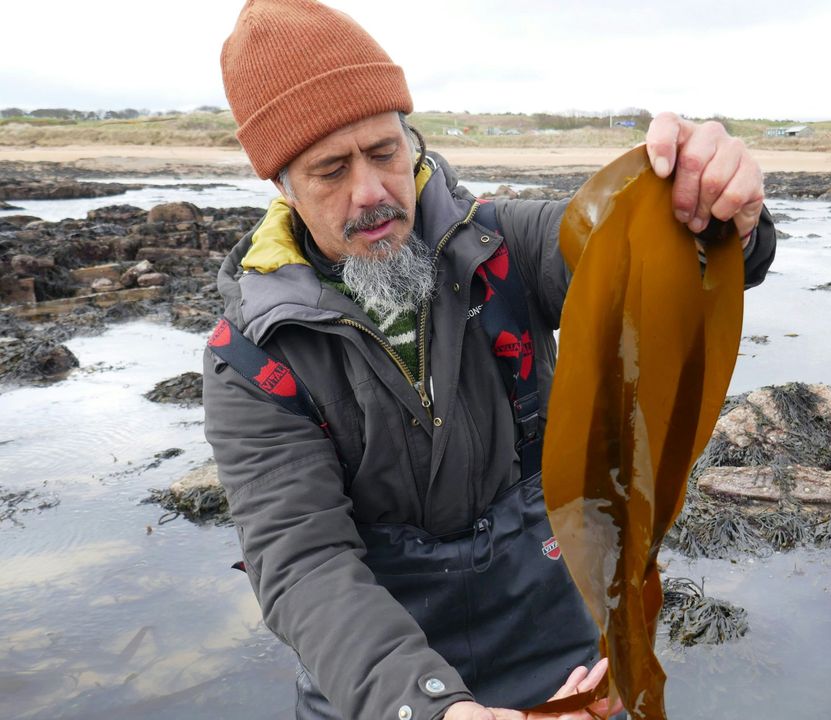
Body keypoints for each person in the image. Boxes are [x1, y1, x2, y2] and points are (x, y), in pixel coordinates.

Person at [204, 1, 777, 719]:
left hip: (557, 656)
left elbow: (648, 255)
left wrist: (718, 211)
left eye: (384, 151)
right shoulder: (254, 358)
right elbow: (305, 565)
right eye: (330, 170)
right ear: (281, 186)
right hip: (379, 685)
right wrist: (434, 708)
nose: (372, 193)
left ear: (411, 139)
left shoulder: (502, 246)